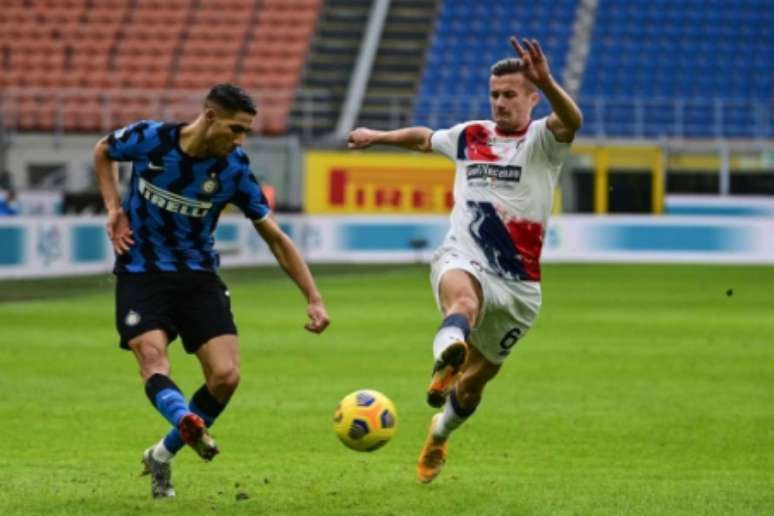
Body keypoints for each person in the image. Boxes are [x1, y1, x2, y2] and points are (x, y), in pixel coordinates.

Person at [347, 37, 582, 483]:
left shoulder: (542, 141)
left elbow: (572, 119)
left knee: (475, 385)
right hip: (465, 255)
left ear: (532, 98)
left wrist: (548, 79)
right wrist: (379, 137)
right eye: (494, 94)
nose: (499, 102)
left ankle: (439, 432)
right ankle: (447, 357)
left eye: (510, 94)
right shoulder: (471, 135)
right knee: (464, 305)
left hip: (519, 286)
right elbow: (423, 138)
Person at [93, 83, 330, 498]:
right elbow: (103, 151)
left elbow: (275, 237)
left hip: (198, 276)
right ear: (210, 117)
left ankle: (161, 455)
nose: (239, 140)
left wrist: (313, 297)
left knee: (225, 376)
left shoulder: (234, 169)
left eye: (246, 133)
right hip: (141, 272)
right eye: (235, 129)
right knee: (152, 358)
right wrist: (114, 209)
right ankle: (186, 419)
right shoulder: (151, 139)